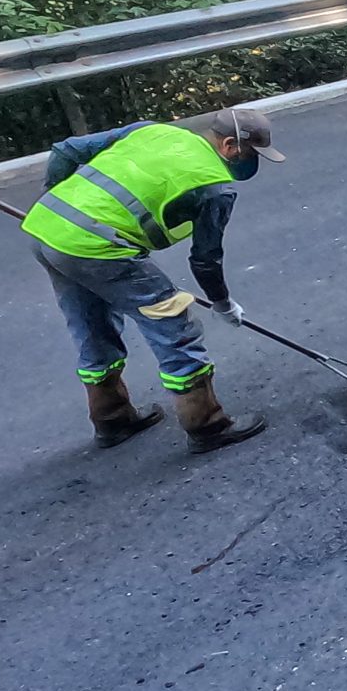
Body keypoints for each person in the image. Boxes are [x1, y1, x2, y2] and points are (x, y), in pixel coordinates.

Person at [20, 108, 280, 453]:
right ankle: (207, 424)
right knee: (174, 322)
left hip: (45, 230)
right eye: (251, 153)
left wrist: (55, 200)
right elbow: (205, 260)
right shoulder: (214, 187)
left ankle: (112, 419)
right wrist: (223, 304)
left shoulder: (154, 131)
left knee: (92, 322)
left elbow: (66, 150)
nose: (251, 162)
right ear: (231, 146)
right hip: (95, 246)